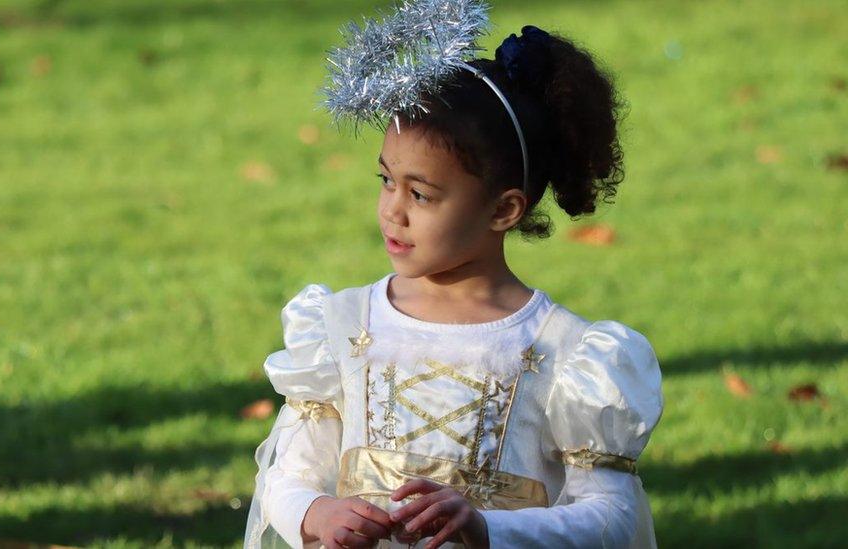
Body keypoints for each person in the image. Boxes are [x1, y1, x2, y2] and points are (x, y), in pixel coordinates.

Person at [243, 9, 664, 549]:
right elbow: (287, 473)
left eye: (421, 194)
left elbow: (614, 517)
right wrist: (315, 512)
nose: (393, 210)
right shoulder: (342, 329)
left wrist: (491, 527)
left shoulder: (568, 355)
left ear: (503, 209)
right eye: (386, 181)